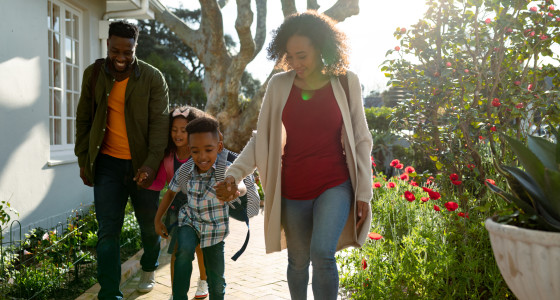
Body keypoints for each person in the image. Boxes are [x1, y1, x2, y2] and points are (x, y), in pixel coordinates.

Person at [215, 11, 373, 300]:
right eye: (291, 56)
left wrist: (363, 193)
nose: (296, 63)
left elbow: (361, 140)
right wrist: (234, 173)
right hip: (292, 189)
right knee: (297, 262)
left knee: (322, 254)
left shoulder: (347, 83)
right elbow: (261, 139)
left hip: (334, 184)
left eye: (302, 55)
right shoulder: (279, 86)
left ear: (322, 47)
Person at [74, 20, 169, 299]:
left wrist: (151, 165)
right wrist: (83, 158)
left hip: (143, 166)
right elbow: (83, 119)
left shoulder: (152, 78)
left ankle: (149, 266)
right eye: (116, 50)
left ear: (135, 47)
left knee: (149, 227)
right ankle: (109, 293)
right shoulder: (93, 74)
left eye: (127, 52)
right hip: (107, 165)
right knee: (108, 232)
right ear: (108, 45)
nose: (121, 57)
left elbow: (160, 126)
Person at [154, 116, 245, 300]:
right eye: (195, 151)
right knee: (183, 252)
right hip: (190, 221)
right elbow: (170, 193)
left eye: (208, 150)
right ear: (189, 150)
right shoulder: (186, 170)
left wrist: (235, 190)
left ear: (219, 147)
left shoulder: (225, 170)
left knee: (216, 282)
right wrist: (157, 220)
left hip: (215, 231)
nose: (202, 157)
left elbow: (240, 185)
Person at [146, 106, 209, 299]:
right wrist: (144, 179)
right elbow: (160, 184)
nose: (178, 134)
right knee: (176, 250)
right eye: (174, 130)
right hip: (178, 210)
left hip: (201, 206)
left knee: (200, 248)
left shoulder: (199, 153)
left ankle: (204, 281)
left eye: (184, 130)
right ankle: (177, 292)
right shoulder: (168, 157)